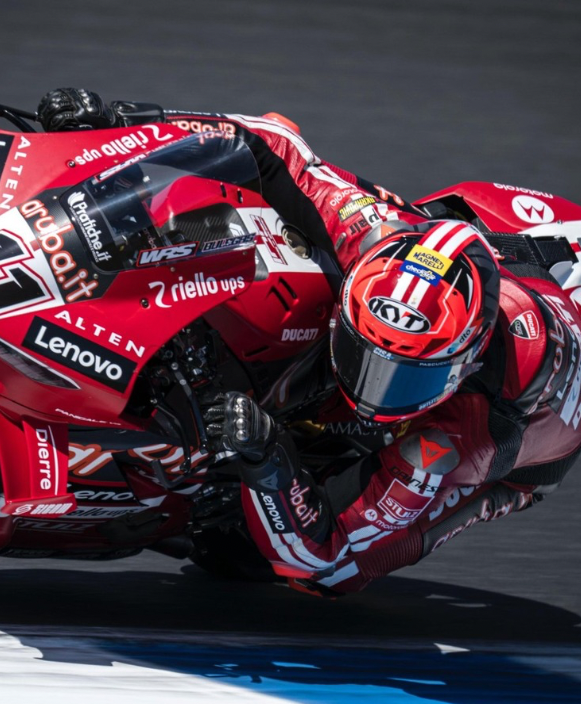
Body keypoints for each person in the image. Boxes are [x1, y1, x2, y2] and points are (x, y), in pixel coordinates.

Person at [37, 88, 581, 595]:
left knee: (255, 554)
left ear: (464, 364)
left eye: (405, 377)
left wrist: (268, 458)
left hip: (525, 445)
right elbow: (269, 142)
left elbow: (329, 557)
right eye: (363, 355)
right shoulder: (373, 234)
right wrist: (122, 120)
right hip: (515, 239)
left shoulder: (465, 439)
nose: (373, 390)